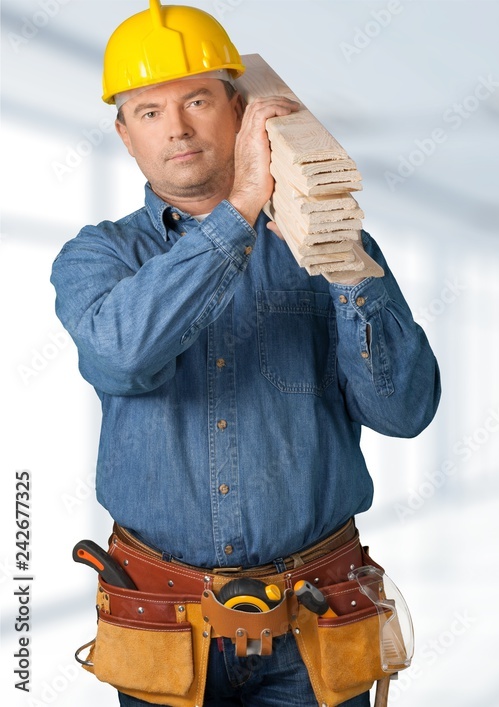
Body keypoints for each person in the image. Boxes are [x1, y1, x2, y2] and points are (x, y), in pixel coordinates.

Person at [50, 2, 440, 705]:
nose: (177, 128)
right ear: (124, 134)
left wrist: (345, 263)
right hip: (165, 625)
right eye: (148, 111)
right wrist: (240, 209)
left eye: (198, 100)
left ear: (239, 108)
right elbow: (124, 355)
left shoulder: (322, 243)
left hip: (316, 618)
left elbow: (406, 410)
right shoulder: (97, 256)